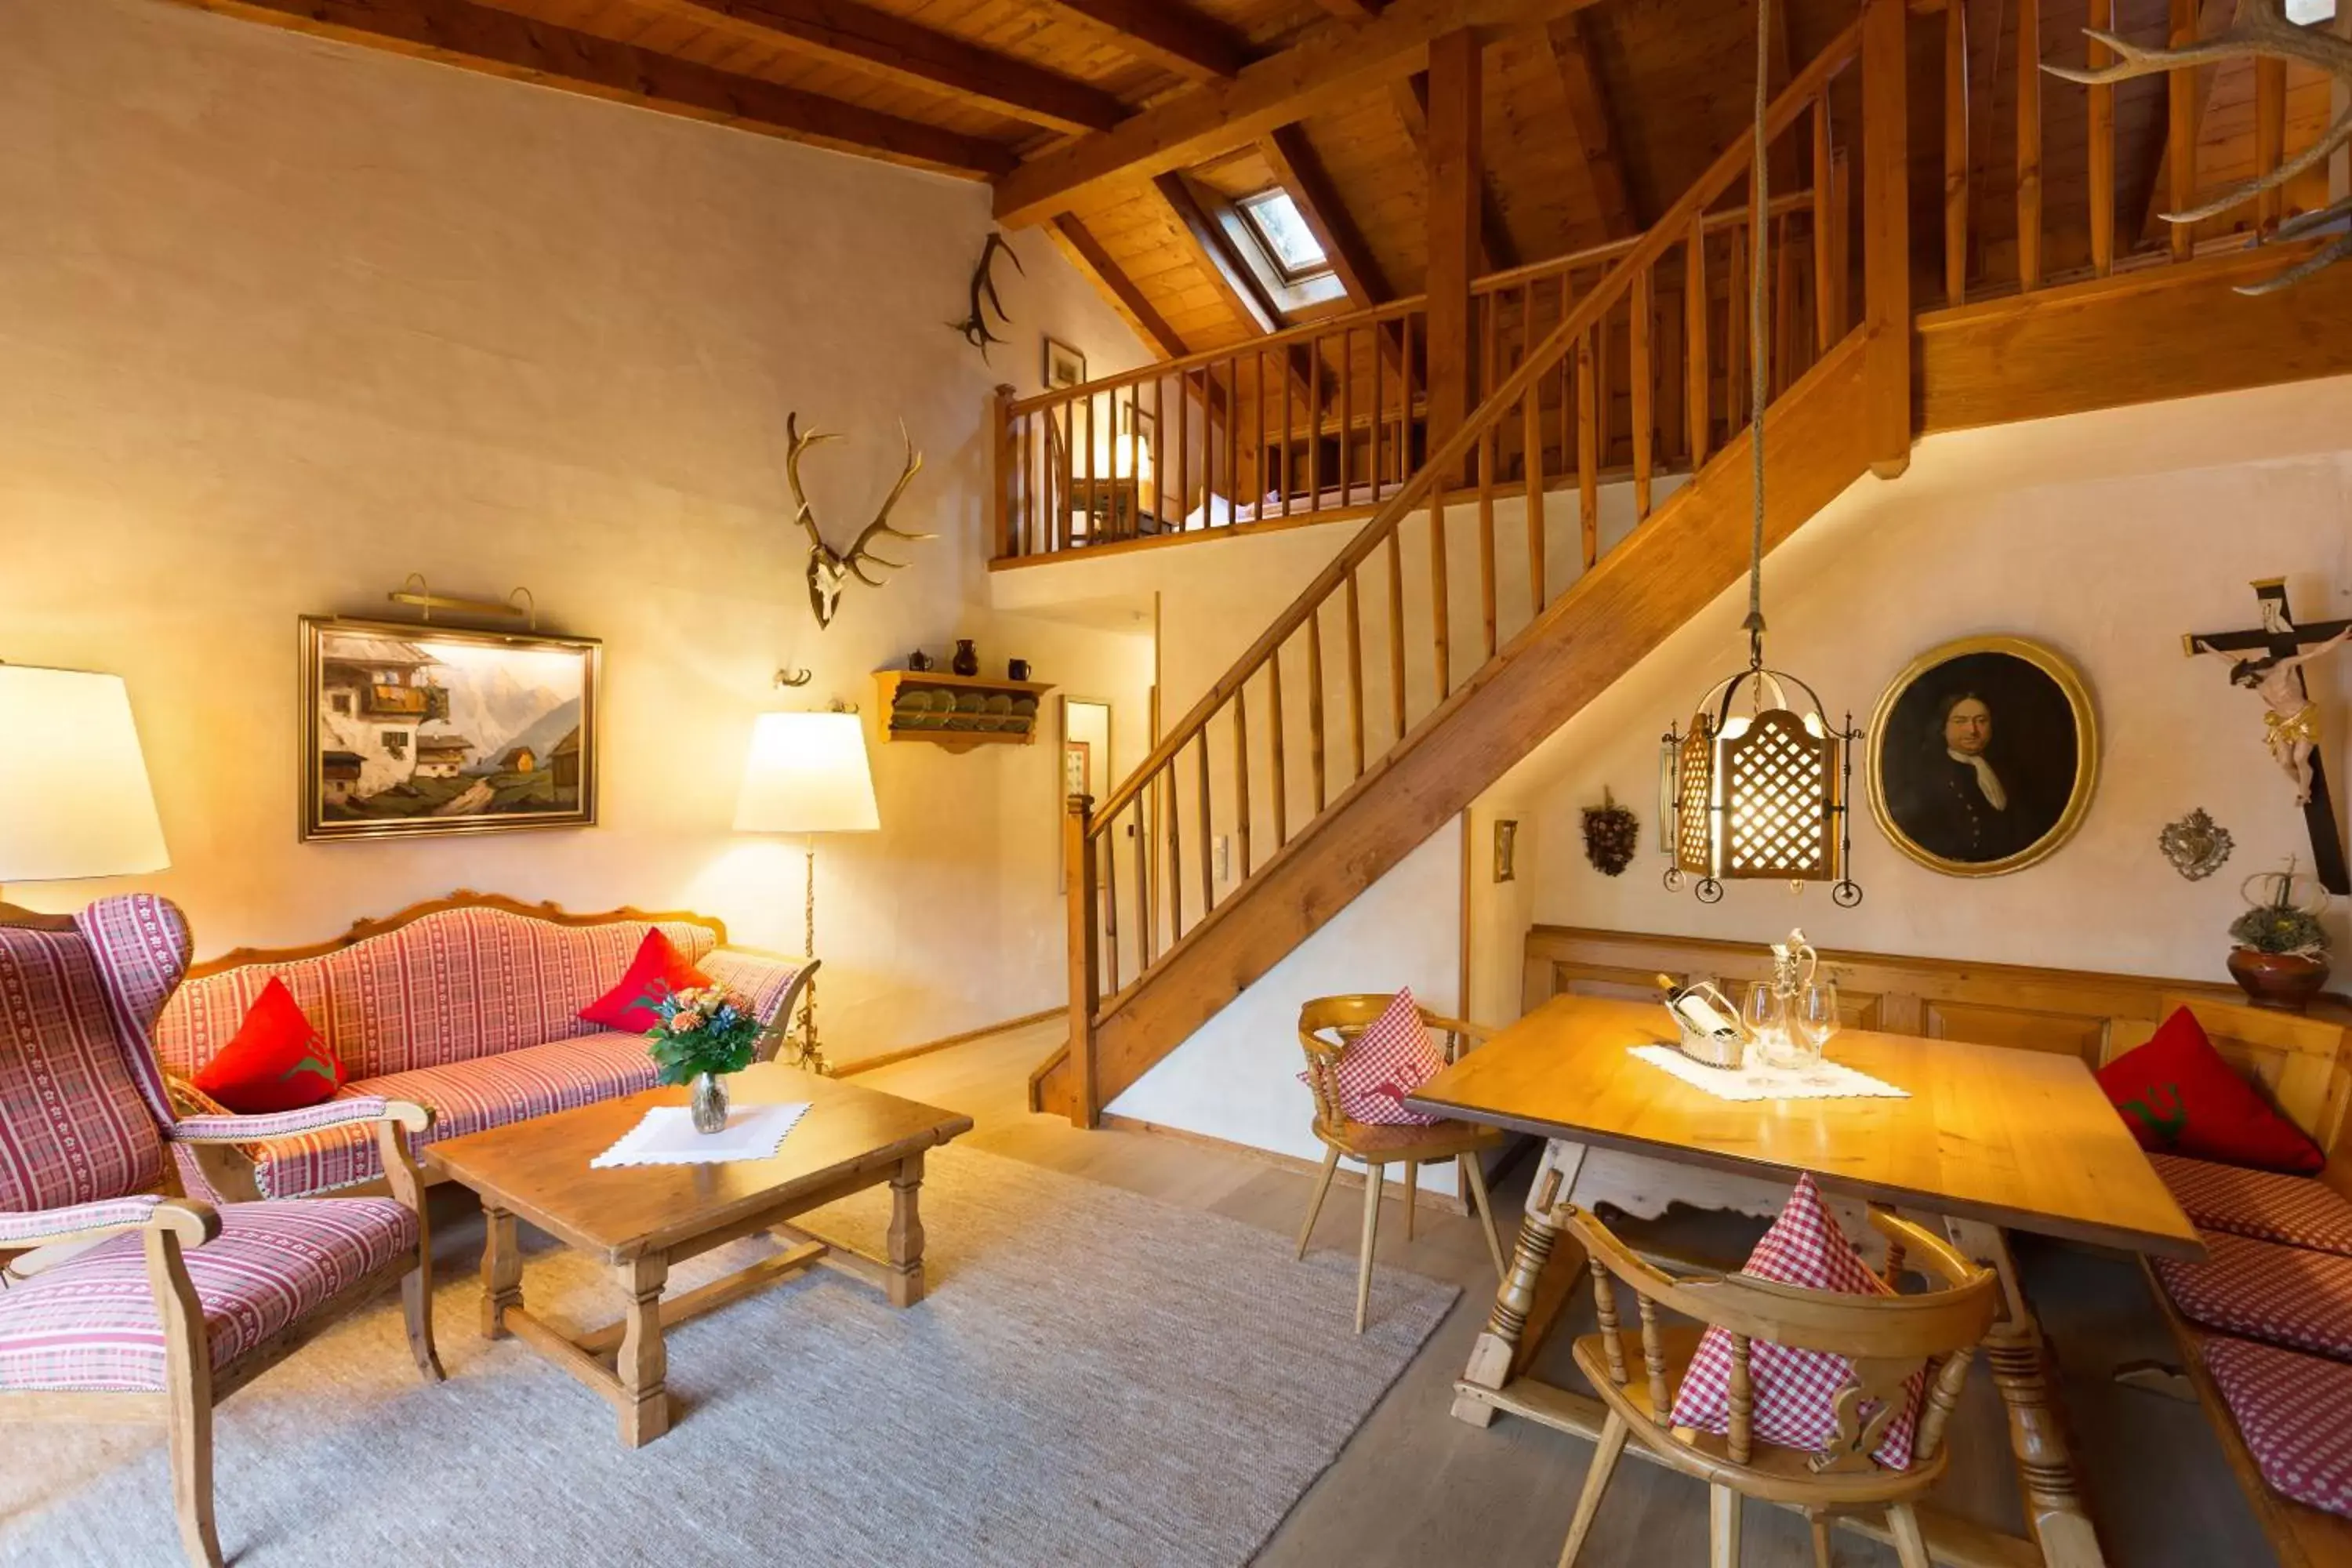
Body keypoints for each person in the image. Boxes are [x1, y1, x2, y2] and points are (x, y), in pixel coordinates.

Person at [1898, 691, 2030, 862]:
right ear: (1943, 728)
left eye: (1981, 721)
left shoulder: (2009, 771)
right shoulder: (1925, 776)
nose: (1973, 730)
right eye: (1960, 721)